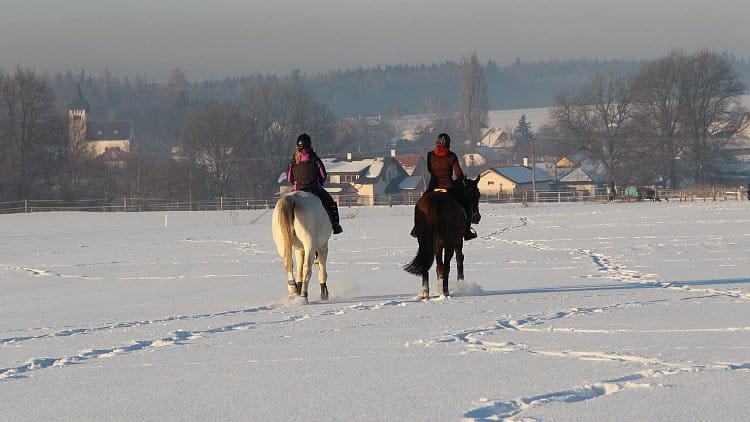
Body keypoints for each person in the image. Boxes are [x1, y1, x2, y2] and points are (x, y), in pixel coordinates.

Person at [412, 133, 477, 240]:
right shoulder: (451, 156)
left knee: (420, 205)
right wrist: (461, 179)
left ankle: (416, 228)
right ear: (448, 144)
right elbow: (458, 174)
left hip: (433, 187)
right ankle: (467, 231)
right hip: (449, 188)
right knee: (466, 204)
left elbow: (430, 170)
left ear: (436, 143)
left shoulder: (429, 155)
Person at [287, 133, 343, 234]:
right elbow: (323, 175)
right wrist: (319, 184)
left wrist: (295, 185)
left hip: (298, 189)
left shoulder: (293, 162)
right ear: (309, 145)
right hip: (314, 188)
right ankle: (335, 226)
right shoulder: (315, 159)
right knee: (330, 202)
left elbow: (289, 178)